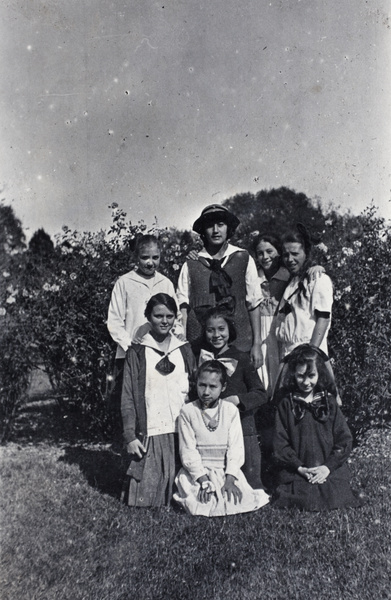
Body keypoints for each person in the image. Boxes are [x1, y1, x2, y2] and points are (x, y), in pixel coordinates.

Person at [121, 293, 196, 507]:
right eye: (158, 316)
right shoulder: (137, 352)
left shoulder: (184, 349)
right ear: (147, 317)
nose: (164, 321)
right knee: (145, 500)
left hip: (181, 428)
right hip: (151, 430)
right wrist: (130, 436)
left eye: (170, 316)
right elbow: (127, 395)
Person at [107, 234, 183, 446]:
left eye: (155, 257)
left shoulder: (165, 282)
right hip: (132, 355)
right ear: (136, 257)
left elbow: (175, 318)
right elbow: (114, 320)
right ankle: (127, 452)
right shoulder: (124, 282)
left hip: (160, 354)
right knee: (131, 405)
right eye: (145, 257)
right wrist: (130, 346)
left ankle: (158, 452)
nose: (150, 262)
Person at [174, 360, 270, 516]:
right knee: (200, 503)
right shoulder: (188, 411)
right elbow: (187, 451)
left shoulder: (230, 410)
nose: (206, 392)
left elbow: (236, 448)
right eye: (202, 385)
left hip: (226, 471)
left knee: (237, 501)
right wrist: (203, 481)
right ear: (196, 384)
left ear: (223, 387)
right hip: (198, 473)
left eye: (213, 387)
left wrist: (230, 479)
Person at [272, 345, 361, 511]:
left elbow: (344, 440)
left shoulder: (329, 402)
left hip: (327, 467)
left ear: (319, 374)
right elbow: (280, 443)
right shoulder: (286, 404)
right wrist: (300, 468)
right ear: (293, 375)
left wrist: (327, 467)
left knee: (334, 495)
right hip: (299, 469)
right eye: (300, 376)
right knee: (301, 496)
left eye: (311, 376)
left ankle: (325, 478)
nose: (306, 382)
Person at [177, 204, 263, 367]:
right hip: (200, 345)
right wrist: (184, 346)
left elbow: (254, 303)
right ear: (203, 230)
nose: (215, 230)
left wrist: (257, 344)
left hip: (240, 342)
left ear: (228, 228)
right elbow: (183, 307)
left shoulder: (243, 258)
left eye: (221, 225)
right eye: (210, 225)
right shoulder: (191, 263)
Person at [198, 307, 267, 489]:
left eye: (221, 329)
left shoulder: (241, 358)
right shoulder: (202, 359)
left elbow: (261, 393)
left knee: (249, 481)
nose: (216, 335)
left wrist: (238, 400)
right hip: (213, 427)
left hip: (242, 424)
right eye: (210, 330)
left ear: (230, 330)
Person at [275, 225, 332, 359]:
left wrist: (311, 354)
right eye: (286, 255)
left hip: (309, 353)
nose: (290, 259)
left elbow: (323, 319)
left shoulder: (317, 279)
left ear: (306, 253)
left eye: (295, 254)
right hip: (288, 353)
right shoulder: (292, 282)